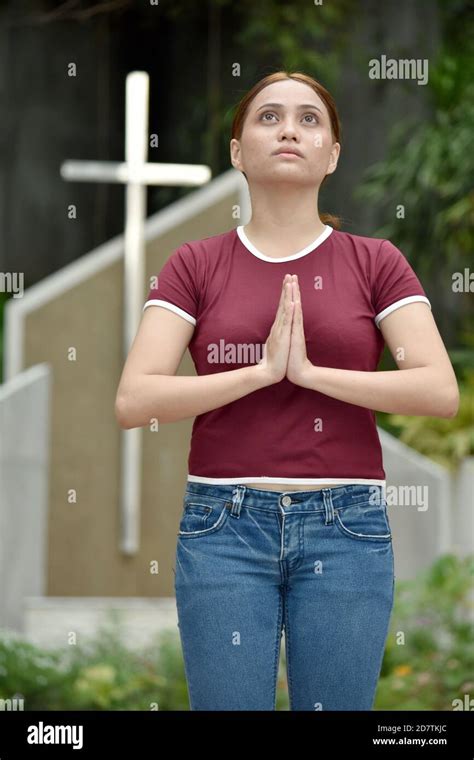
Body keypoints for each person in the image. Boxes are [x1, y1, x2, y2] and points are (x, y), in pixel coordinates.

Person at [115, 71, 459, 711]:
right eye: (269, 117)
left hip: (347, 528)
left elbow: (438, 390)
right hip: (222, 527)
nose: (289, 130)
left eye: (309, 119)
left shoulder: (374, 261)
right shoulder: (197, 263)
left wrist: (310, 374)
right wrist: (260, 372)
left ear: (332, 154)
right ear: (238, 150)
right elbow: (135, 399)